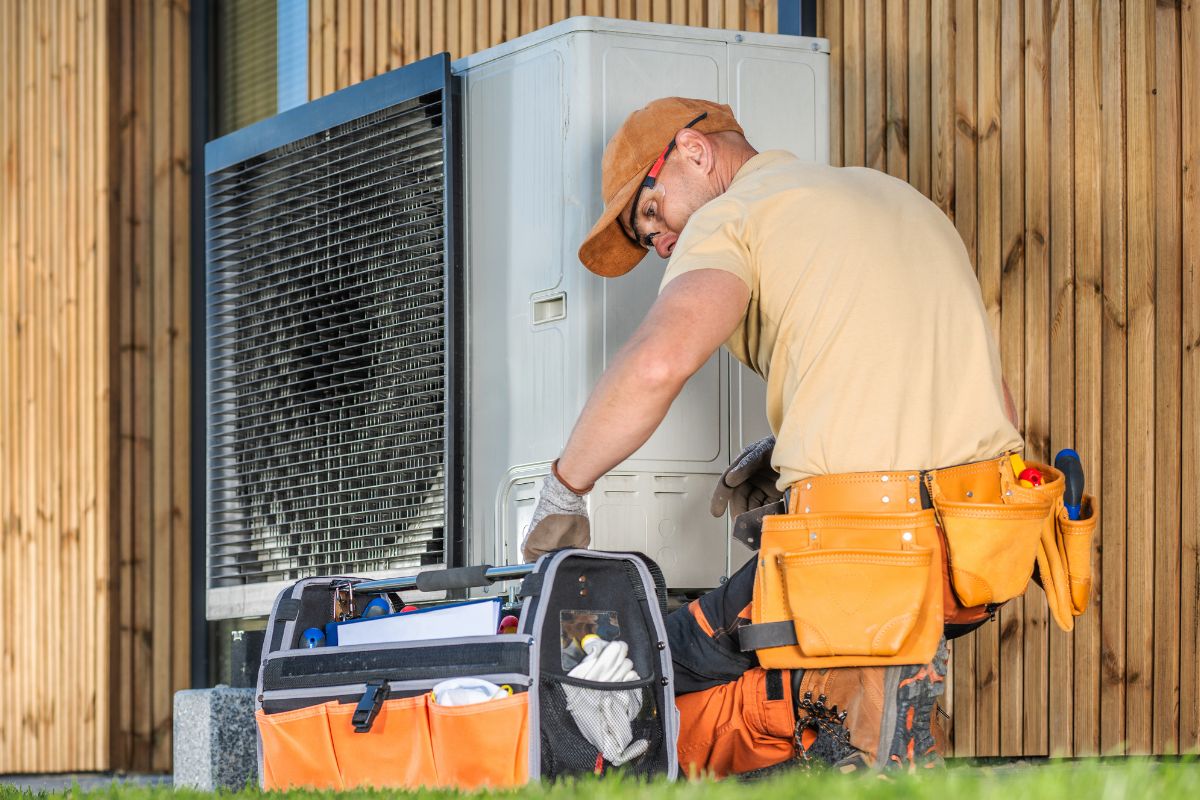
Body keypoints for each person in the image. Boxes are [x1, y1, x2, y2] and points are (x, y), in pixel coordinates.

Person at [520, 97, 1023, 775]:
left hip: (861, 549)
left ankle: (845, 736)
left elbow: (658, 363)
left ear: (693, 153)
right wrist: (801, 452)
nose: (661, 244)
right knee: (795, 649)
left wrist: (564, 488)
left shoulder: (734, 214)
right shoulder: (895, 197)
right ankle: (866, 712)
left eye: (651, 214)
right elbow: (995, 399)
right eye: (650, 241)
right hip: (978, 550)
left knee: (652, 661)